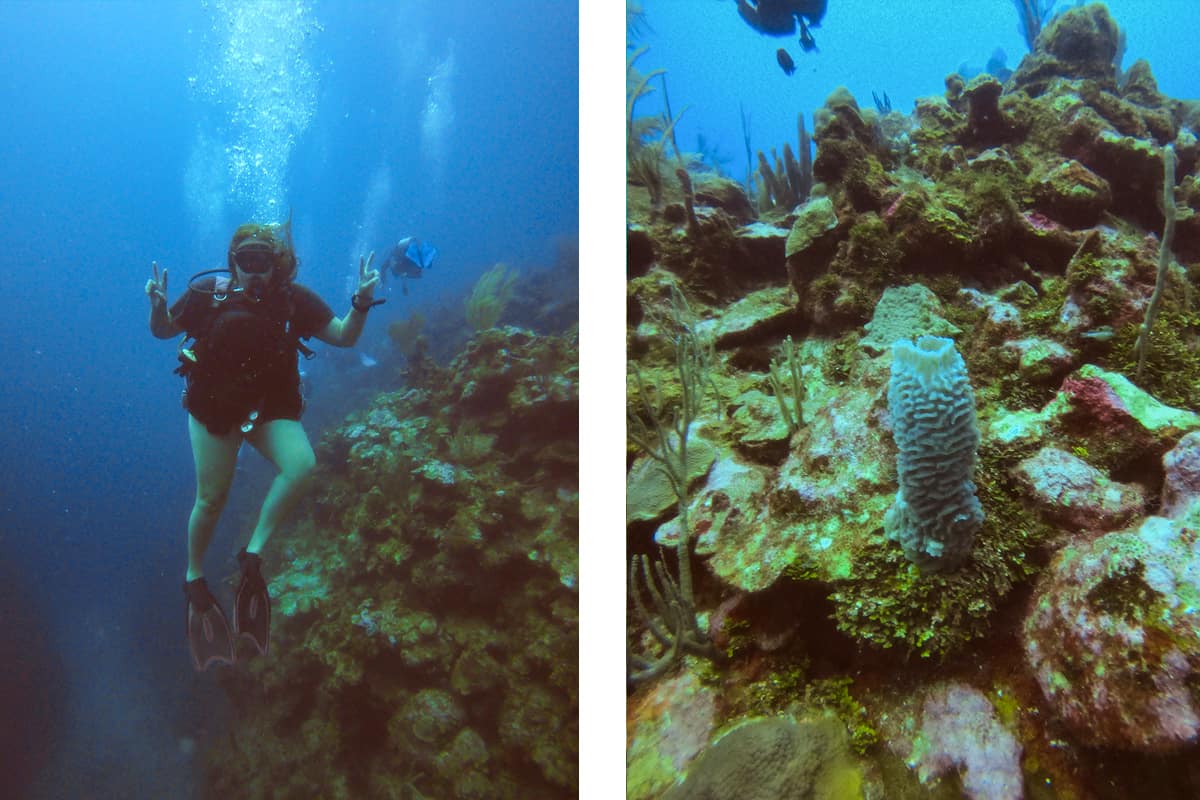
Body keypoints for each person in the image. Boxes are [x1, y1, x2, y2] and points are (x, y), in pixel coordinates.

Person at [145, 220, 382, 671]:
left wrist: (362, 303)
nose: (255, 272)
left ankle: (252, 555)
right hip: (213, 407)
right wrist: (157, 308)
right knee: (212, 499)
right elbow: (163, 332)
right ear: (232, 263)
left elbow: (344, 336)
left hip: (268, 408)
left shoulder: (294, 300)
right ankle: (194, 578)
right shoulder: (206, 294)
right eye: (246, 262)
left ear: (279, 265)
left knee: (302, 465)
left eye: (264, 262)